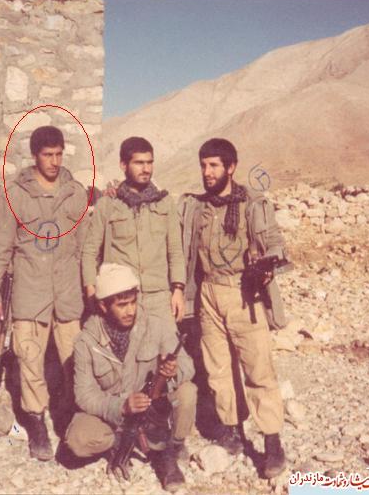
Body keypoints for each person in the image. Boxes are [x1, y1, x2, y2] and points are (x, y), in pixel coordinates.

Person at [179, 138, 289, 478]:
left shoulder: (253, 204)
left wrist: (267, 263)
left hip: (243, 293)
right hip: (208, 293)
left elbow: (275, 242)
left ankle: (272, 440)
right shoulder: (196, 207)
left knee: (258, 368)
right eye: (203, 165)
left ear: (231, 167)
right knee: (218, 369)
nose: (207, 172)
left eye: (214, 165)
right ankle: (231, 430)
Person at [0, 125, 88, 461]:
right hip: (30, 292)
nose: (54, 162)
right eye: (47, 155)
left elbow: (85, 247)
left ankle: (72, 418)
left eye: (59, 154)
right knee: (29, 360)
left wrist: (90, 286)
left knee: (75, 359)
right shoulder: (16, 194)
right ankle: (37, 423)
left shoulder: (75, 193)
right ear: (34, 156)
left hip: (68, 293)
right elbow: (0, 247)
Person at [65, 263, 197, 492]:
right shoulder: (86, 342)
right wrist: (121, 406)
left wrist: (172, 372)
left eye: (133, 302)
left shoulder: (155, 325)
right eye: (122, 305)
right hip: (115, 416)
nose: (130, 311)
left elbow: (188, 366)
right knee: (78, 439)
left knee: (187, 393)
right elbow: (84, 394)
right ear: (103, 306)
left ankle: (169, 450)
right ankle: (120, 444)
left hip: (153, 410)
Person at [81, 137, 186, 334]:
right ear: (123, 165)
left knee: (168, 351)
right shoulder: (108, 205)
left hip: (159, 298)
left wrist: (178, 290)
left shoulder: (165, 203)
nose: (146, 169)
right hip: (121, 299)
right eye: (139, 163)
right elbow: (90, 251)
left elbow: (175, 251)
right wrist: (91, 289)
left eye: (149, 162)